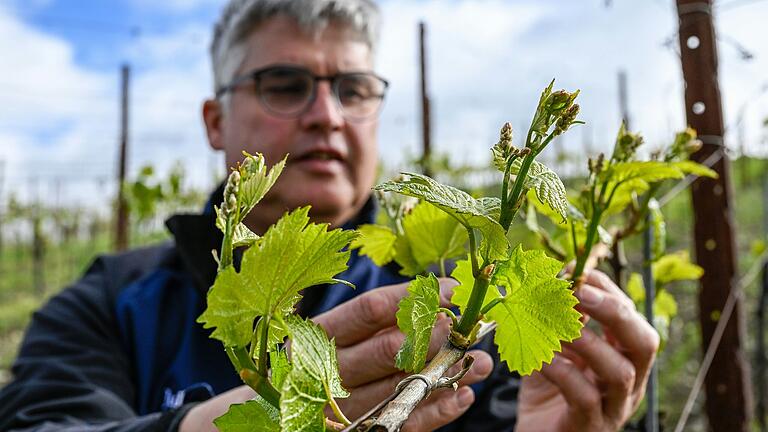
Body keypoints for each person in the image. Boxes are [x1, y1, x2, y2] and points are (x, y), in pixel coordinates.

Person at [0, 0, 659, 431]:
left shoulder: (462, 307)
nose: (327, 114)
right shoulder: (111, 305)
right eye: (284, 85)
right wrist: (224, 423)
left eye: (354, 89)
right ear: (213, 120)